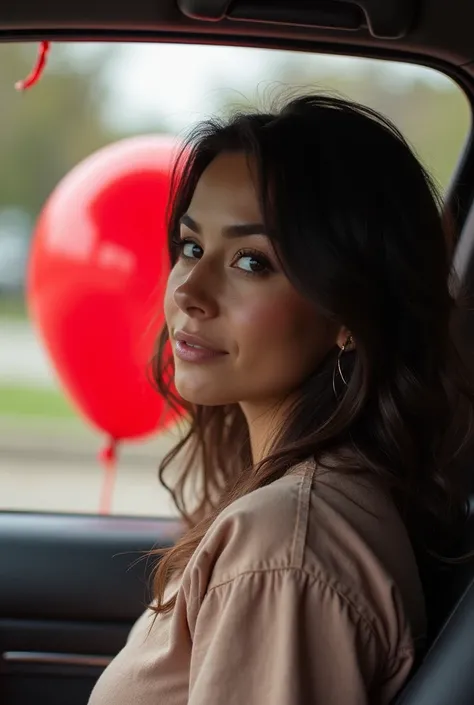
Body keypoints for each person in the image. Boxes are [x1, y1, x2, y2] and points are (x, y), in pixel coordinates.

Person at [88, 94, 473, 705]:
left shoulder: (283, 548)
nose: (189, 289)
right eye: (190, 246)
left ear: (348, 314)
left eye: (251, 260)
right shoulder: (302, 503)